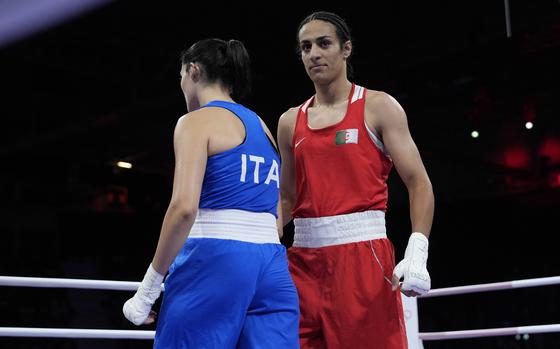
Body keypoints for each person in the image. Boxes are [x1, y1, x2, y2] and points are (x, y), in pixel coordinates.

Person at [123, 38, 300, 348]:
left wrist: (149, 288)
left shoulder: (195, 122)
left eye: (180, 76)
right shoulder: (261, 125)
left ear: (193, 71)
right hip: (272, 265)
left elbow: (183, 208)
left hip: (217, 259)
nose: (181, 85)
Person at [277, 11, 435, 349]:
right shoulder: (290, 121)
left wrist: (417, 251)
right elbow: (287, 198)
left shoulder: (378, 107)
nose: (314, 54)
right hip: (302, 261)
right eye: (306, 47)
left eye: (323, 44)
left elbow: (419, 183)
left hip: (362, 258)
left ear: (346, 48)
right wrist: (257, 241)